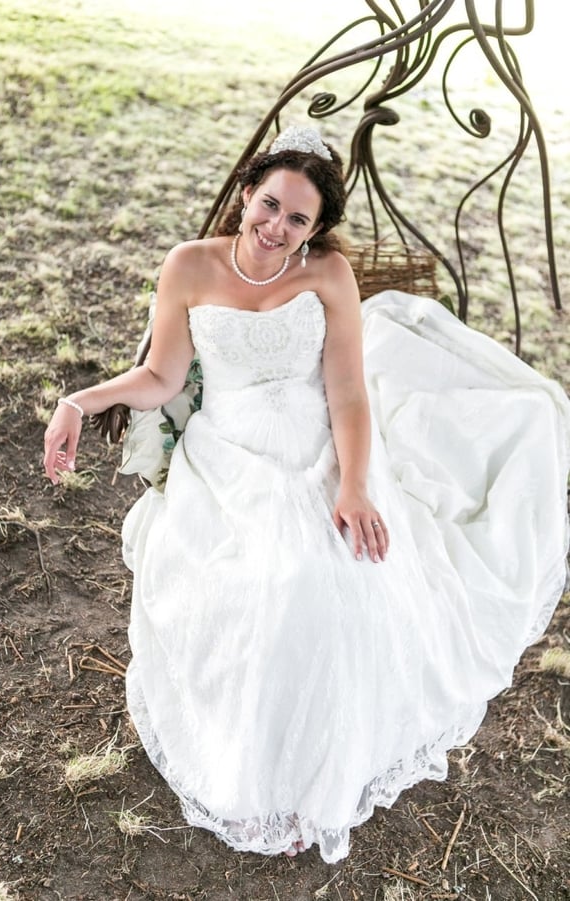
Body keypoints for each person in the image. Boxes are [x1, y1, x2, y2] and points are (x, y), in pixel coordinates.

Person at [43, 125, 570, 864]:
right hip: (229, 455)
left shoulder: (326, 276)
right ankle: (255, 762)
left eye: (298, 220)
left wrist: (354, 485)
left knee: (338, 577)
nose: (276, 229)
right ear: (245, 194)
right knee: (270, 584)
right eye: (269, 206)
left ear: (317, 228)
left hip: (320, 443)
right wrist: (81, 398)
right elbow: (163, 376)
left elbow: (349, 390)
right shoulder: (189, 266)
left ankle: (319, 768)